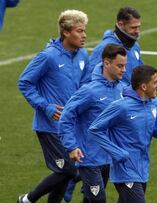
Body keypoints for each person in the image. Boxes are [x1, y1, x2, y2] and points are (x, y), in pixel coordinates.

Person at [17, 9, 90, 203]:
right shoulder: (48, 56)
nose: (84, 35)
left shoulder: (83, 55)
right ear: (66, 32)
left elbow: (86, 85)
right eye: (79, 31)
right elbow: (24, 82)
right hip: (49, 125)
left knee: (64, 177)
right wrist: (46, 107)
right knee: (69, 170)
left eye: (84, 31)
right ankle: (26, 200)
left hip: (71, 125)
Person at [89, 65, 157, 203]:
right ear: (144, 87)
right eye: (155, 82)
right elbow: (95, 129)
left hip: (142, 168)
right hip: (125, 169)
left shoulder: (154, 103)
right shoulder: (121, 107)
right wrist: (116, 152)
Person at [58, 44, 127, 203]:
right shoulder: (89, 91)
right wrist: (71, 146)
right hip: (89, 157)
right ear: (106, 63)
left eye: (125, 66)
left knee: (90, 200)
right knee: (98, 200)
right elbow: (66, 117)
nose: (124, 70)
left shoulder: (123, 89)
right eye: (120, 66)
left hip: (110, 157)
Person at [90, 6, 142, 85]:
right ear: (121, 24)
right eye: (133, 27)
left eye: (138, 27)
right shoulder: (103, 48)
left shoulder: (134, 46)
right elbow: (91, 78)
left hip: (131, 96)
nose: (137, 31)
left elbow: (140, 70)